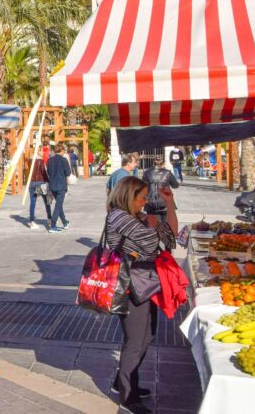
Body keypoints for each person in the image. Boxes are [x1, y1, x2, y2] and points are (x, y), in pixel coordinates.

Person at [106, 176, 177, 414]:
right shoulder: (118, 216)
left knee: (147, 336)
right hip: (128, 284)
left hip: (146, 283)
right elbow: (150, 241)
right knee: (135, 341)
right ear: (129, 195)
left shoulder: (138, 216)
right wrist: (154, 224)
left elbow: (170, 238)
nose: (146, 201)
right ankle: (128, 396)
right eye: (142, 197)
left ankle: (123, 381)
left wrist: (169, 204)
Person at [141, 156, 180, 223]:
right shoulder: (167, 173)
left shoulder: (146, 173)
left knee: (153, 226)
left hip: (151, 204)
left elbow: (142, 187)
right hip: (165, 203)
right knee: (167, 226)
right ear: (163, 163)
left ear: (153, 163)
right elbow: (175, 185)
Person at [46, 143, 71, 233]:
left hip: (53, 185)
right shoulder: (63, 160)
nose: (64, 152)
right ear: (61, 150)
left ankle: (64, 222)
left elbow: (48, 172)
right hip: (61, 185)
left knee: (58, 205)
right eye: (64, 150)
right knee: (58, 205)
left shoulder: (50, 160)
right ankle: (53, 225)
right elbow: (68, 173)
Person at [27, 156, 52, 230]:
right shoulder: (40, 161)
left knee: (32, 203)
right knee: (47, 201)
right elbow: (43, 172)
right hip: (40, 182)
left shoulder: (30, 160)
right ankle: (50, 219)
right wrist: (48, 181)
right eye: (41, 151)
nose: (42, 152)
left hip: (32, 182)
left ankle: (32, 222)